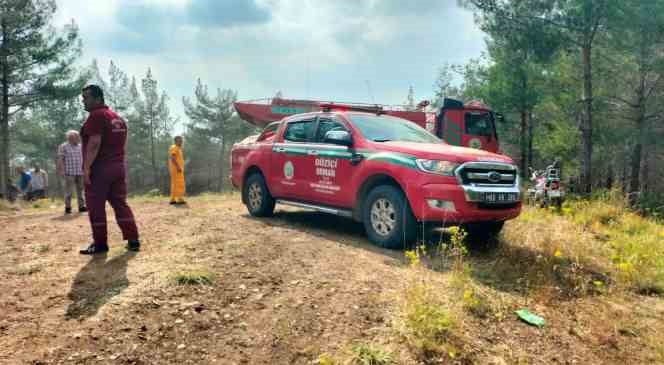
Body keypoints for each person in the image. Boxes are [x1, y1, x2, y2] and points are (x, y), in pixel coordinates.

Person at [79, 84, 140, 255]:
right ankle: (133, 239)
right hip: (118, 167)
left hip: (100, 170)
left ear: (98, 98)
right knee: (120, 203)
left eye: (86, 98)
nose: (83, 101)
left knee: (95, 206)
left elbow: (95, 143)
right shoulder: (117, 118)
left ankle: (100, 244)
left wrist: (86, 168)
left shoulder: (96, 116)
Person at [57, 130, 87, 214]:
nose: (78, 138)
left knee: (80, 190)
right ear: (70, 138)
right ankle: (68, 207)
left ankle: (81, 207)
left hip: (80, 171)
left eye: (78, 136)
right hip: (69, 172)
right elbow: (60, 159)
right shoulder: (63, 146)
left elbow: (84, 158)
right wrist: (62, 170)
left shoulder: (81, 146)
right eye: (76, 137)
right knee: (69, 191)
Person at [168, 136, 186, 205]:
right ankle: (179, 199)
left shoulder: (178, 148)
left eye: (181, 140)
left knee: (176, 183)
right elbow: (172, 157)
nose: (181, 142)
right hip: (176, 169)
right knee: (178, 183)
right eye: (179, 141)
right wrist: (178, 167)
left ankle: (173, 199)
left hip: (178, 169)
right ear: (175, 141)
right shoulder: (174, 147)